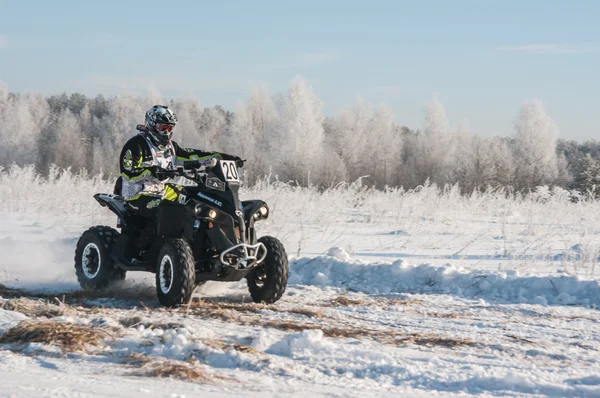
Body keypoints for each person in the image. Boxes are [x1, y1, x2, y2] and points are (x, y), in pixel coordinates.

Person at [115, 104, 242, 219]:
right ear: (151, 124)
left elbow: (195, 155)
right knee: (171, 211)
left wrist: (225, 157)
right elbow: (127, 173)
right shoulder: (137, 145)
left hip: (162, 190)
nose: (166, 132)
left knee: (197, 199)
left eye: (170, 128)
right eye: (163, 127)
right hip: (137, 194)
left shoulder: (171, 147)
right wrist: (153, 171)